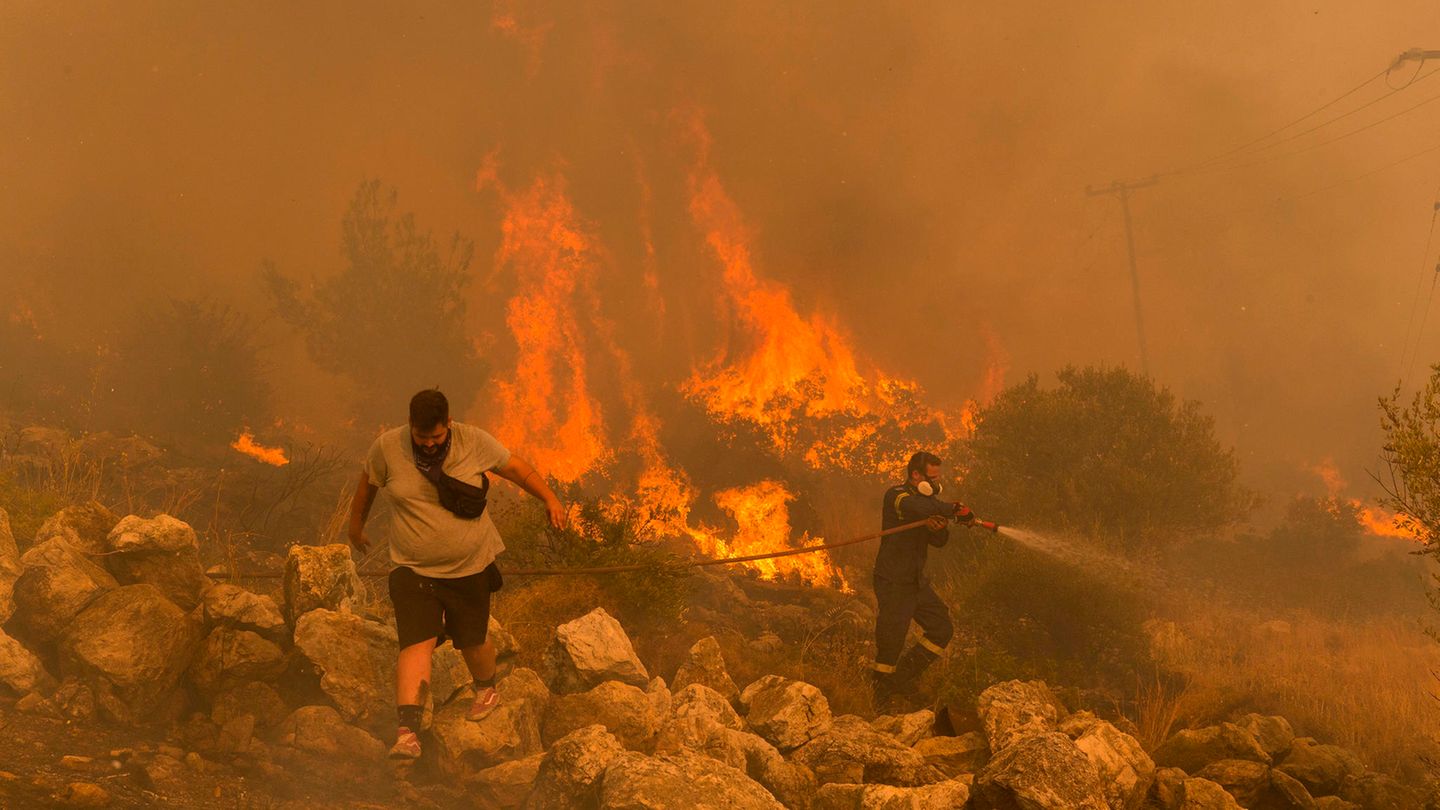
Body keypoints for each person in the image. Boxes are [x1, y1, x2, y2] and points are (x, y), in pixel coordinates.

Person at [348, 389, 566, 760]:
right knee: (416, 643)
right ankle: (407, 733)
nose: (430, 444)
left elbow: (515, 468)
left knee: (472, 640)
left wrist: (549, 497)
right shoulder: (388, 448)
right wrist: (355, 525)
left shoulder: (473, 441)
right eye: (422, 437)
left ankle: (486, 687)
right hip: (413, 568)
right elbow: (367, 482)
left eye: (436, 436)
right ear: (411, 426)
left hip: (469, 568)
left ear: (448, 423)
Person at [871, 450, 973, 706]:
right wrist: (956, 509)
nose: (936, 483)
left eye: (938, 478)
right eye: (932, 478)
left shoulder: (928, 505)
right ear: (916, 475)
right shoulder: (897, 496)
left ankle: (901, 680)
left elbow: (939, 541)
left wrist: (938, 528)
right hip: (893, 581)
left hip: (916, 582)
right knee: (891, 641)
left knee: (941, 628)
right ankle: (878, 697)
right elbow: (919, 507)